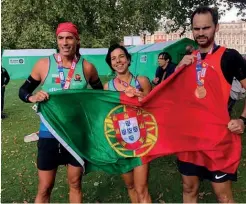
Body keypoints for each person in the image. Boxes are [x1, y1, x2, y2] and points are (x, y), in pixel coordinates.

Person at [19, 22, 103, 203]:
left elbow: (100, 95)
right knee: (44, 188)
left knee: (75, 184)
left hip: (76, 136)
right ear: (57, 41)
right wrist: (32, 98)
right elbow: (23, 91)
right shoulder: (43, 64)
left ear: (77, 40)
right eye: (61, 38)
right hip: (49, 135)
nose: (65, 42)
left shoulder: (87, 67)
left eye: (69, 37)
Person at [176, 6, 246, 203]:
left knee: (223, 196)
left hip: (217, 140)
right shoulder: (187, 60)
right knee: (189, 189)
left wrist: (242, 120)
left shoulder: (230, 56)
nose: (200, 33)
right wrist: (179, 69)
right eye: (196, 28)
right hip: (188, 141)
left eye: (205, 28)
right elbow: (172, 98)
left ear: (216, 27)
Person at [104, 44, 152, 203]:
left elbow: (154, 109)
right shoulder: (108, 87)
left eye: (121, 56)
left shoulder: (142, 81)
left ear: (129, 59)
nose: (118, 61)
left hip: (141, 140)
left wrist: (141, 99)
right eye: (113, 59)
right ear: (110, 64)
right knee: (130, 186)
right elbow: (107, 116)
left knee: (141, 188)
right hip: (120, 142)